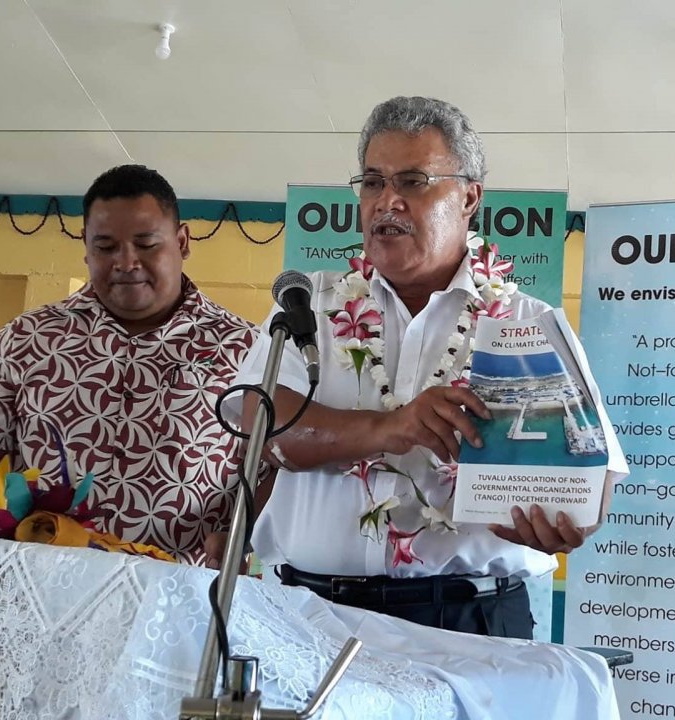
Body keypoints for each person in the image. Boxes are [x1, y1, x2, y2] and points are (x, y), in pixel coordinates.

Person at [220, 96, 625, 638]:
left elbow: (591, 486)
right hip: (308, 617)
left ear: (469, 198)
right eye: (372, 182)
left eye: (413, 182)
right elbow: (261, 422)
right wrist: (393, 427)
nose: (387, 201)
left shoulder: (529, 321)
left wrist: (563, 521)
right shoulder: (308, 304)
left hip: (470, 624)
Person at [0, 164, 271, 565]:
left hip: (179, 599)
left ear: (182, 241)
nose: (126, 262)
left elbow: (278, 465)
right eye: (105, 247)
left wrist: (242, 535)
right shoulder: (27, 340)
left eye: (146, 244)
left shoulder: (248, 350)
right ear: (85, 245)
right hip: (45, 590)